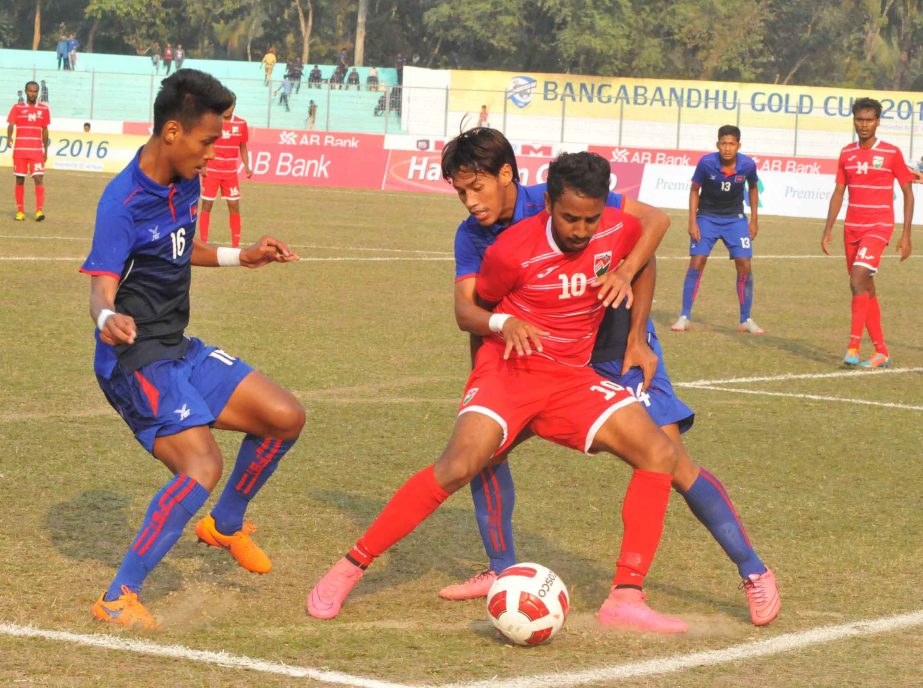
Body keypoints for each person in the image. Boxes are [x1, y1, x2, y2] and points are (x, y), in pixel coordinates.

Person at [307, 152, 690, 633]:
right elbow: (474, 312)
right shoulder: (509, 250)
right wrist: (504, 326)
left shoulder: (616, 227)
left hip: (572, 378)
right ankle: (350, 566)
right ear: (548, 203)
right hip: (509, 372)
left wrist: (632, 310)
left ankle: (626, 595)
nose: (580, 229)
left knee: (659, 452)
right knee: (459, 465)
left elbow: (645, 251)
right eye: (570, 218)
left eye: (590, 219)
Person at [436, 128, 780, 627]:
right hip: (547, 357)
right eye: (460, 191)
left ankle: (753, 569)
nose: (469, 201)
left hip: (618, 346)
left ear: (506, 175)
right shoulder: (471, 235)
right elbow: (475, 309)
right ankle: (499, 567)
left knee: (670, 462)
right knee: (486, 450)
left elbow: (648, 231)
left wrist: (638, 335)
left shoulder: (562, 197)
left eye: (476, 188)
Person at [81, 69, 304, 630]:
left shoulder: (185, 180)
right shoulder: (123, 202)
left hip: (178, 348)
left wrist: (241, 256)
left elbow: (182, 248)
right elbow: (100, 286)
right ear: (173, 131)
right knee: (201, 464)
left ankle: (224, 526)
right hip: (133, 361)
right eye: (207, 143)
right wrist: (108, 318)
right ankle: (118, 596)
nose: (213, 154)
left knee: (284, 416)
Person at [821, 97, 914, 368]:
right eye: (860, 119)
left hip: (879, 226)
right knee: (864, 287)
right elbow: (839, 192)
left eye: (869, 119)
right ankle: (881, 351)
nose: (864, 124)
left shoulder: (891, 153)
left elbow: (908, 193)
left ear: (877, 121)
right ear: (854, 120)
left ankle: (853, 346)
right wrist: (828, 229)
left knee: (857, 278)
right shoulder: (846, 153)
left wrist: (906, 234)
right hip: (852, 227)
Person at [671, 125, 763, 334]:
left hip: (735, 219)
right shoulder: (706, 163)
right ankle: (684, 316)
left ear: (738, 145)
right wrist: (692, 221)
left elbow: (754, 187)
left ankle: (745, 319)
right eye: (724, 143)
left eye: (731, 144)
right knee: (697, 261)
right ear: (717, 144)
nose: (727, 148)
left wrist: (754, 219)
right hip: (707, 218)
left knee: (745, 264)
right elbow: (694, 190)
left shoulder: (748, 165)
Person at [199, 98, 252, 248]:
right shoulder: (213, 121)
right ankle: (203, 243)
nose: (228, 109)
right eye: (226, 105)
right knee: (207, 204)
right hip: (212, 171)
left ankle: (235, 245)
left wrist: (247, 166)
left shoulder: (241, 124)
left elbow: (243, 147)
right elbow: (204, 143)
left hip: (230, 173)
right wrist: (202, 165)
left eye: (231, 105)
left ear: (235, 105)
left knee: (234, 205)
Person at [7, 81, 50, 222]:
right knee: (20, 180)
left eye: (35, 91)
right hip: (20, 151)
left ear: (38, 92)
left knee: (39, 179)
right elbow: (11, 124)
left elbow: (45, 130)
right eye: (30, 91)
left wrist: (45, 150)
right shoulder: (17, 107)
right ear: (26, 91)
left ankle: (39, 211)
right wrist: (9, 138)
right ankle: (20, 211)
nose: (33, 94)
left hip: (36, 151)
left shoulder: (44, 109)